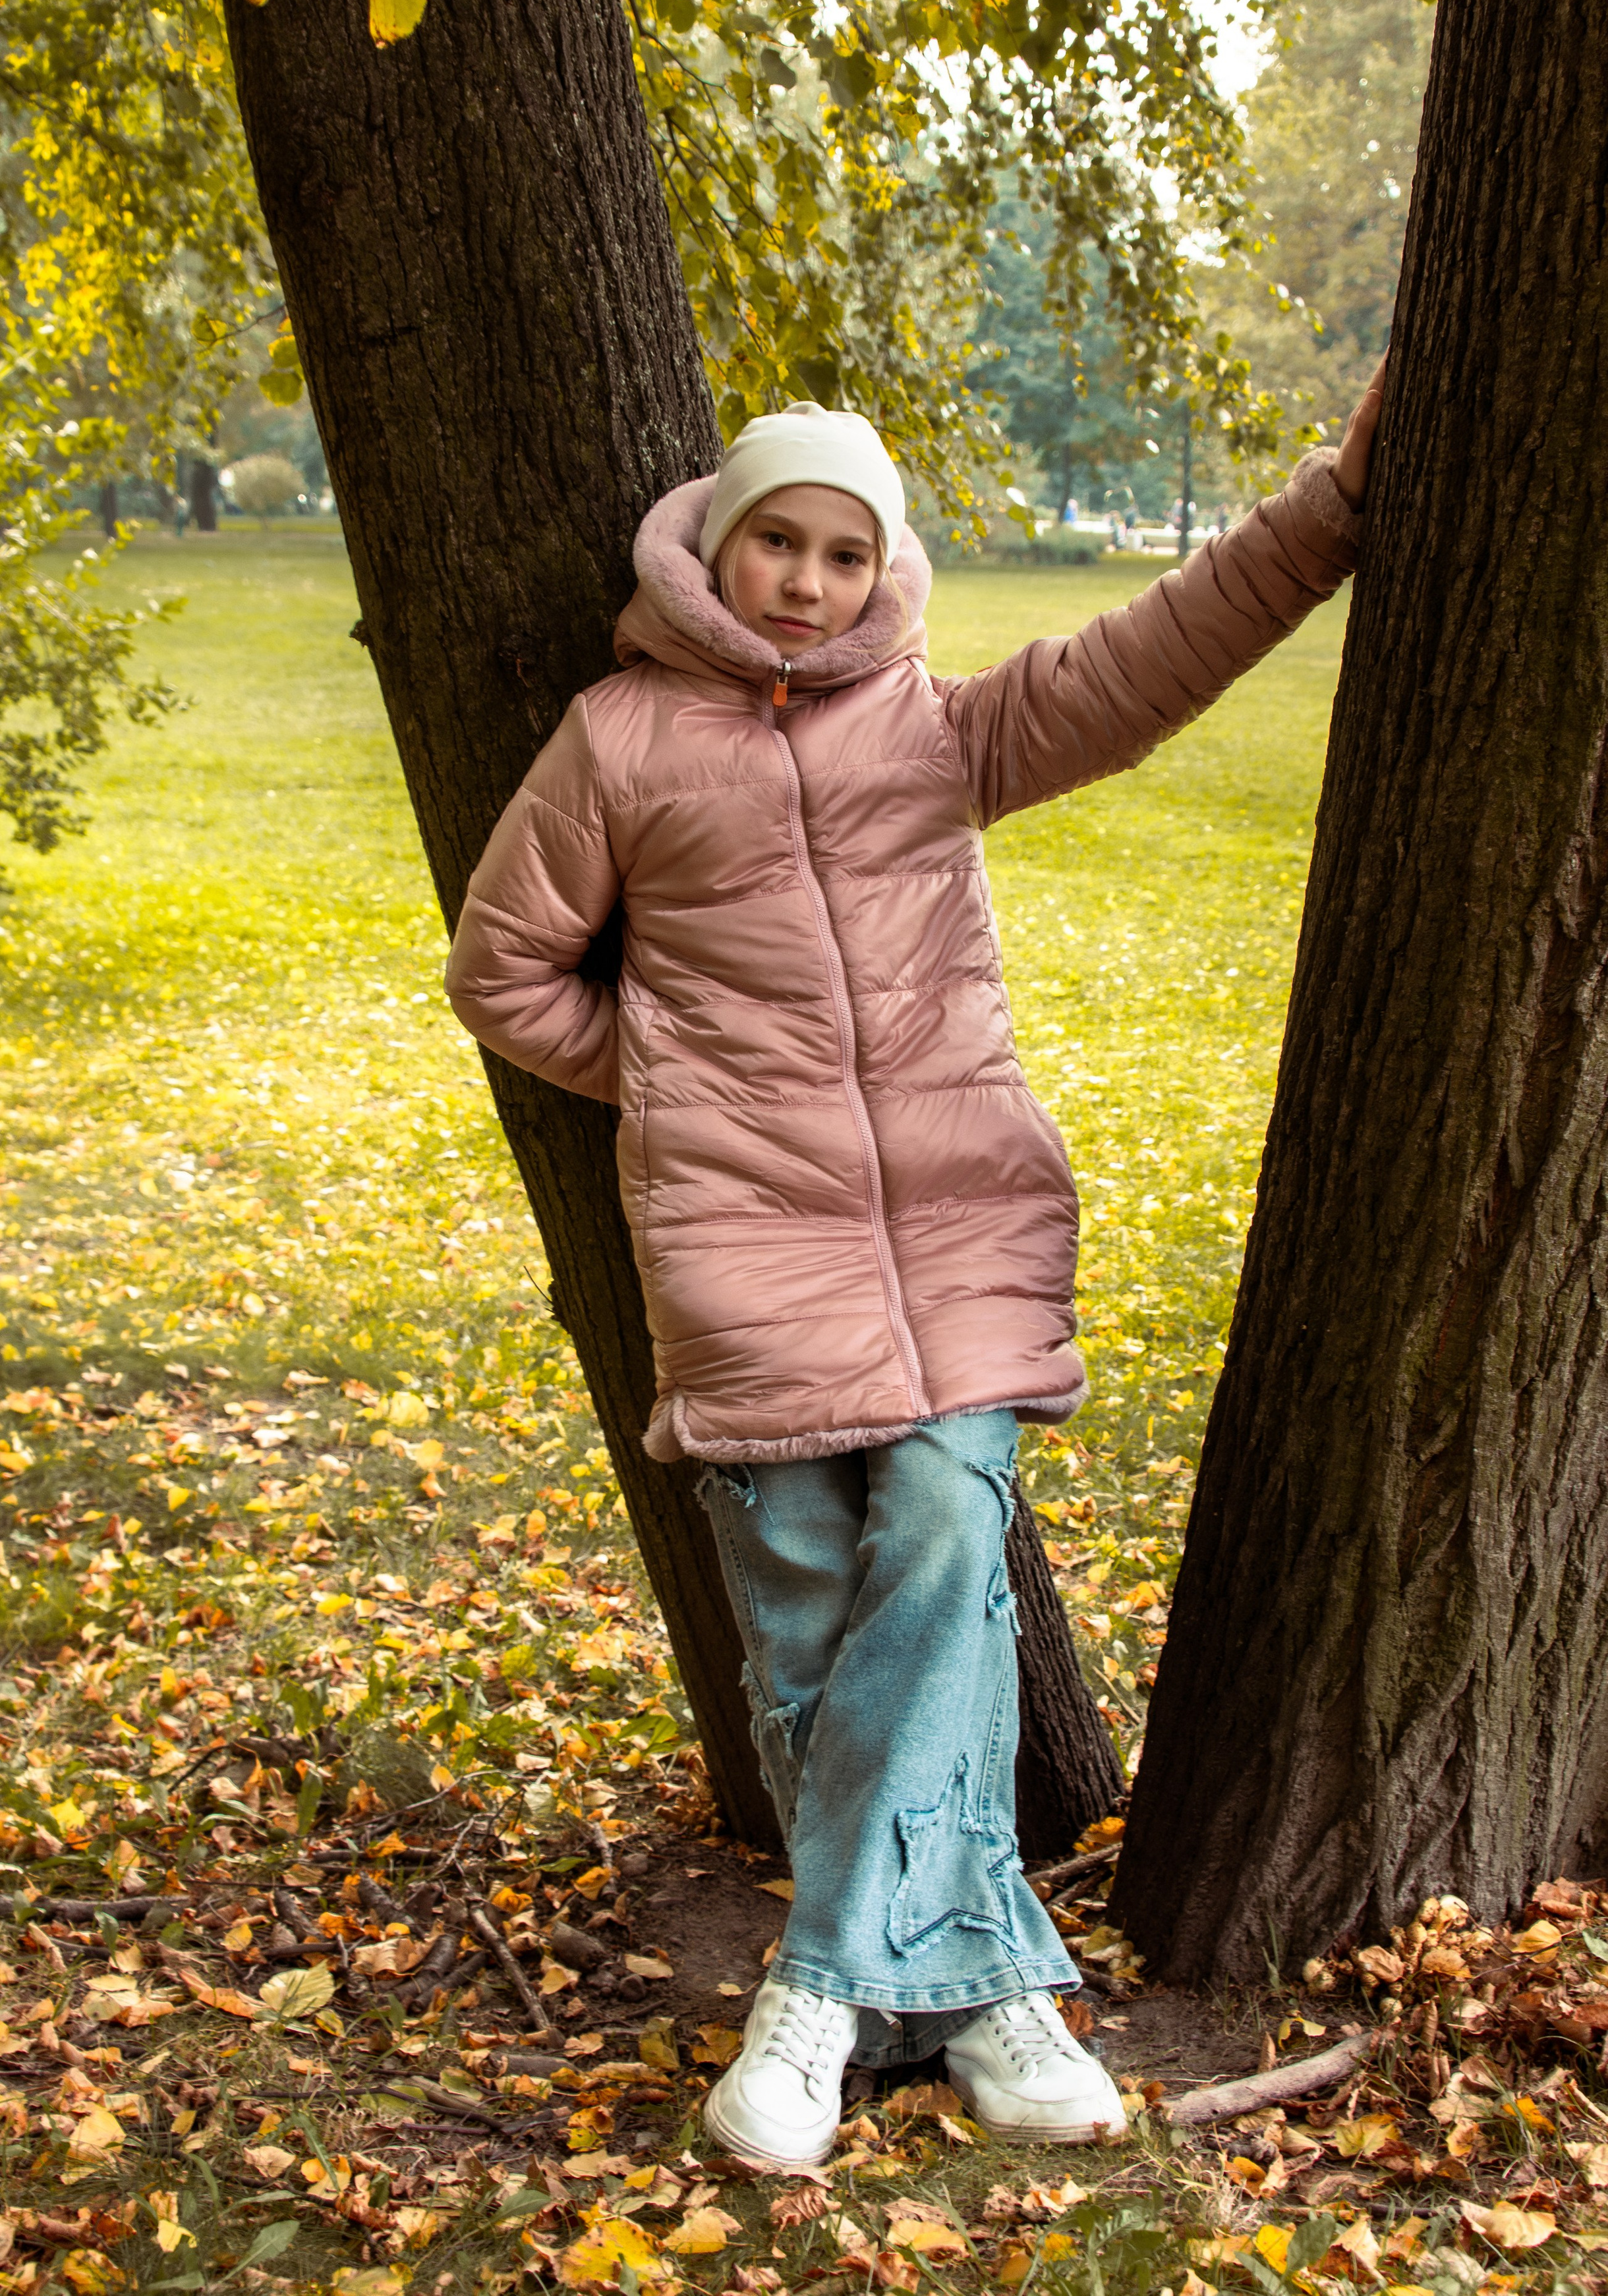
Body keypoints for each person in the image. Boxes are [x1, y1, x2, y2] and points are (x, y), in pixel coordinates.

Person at [445, 366, 1386, 2172]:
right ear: (718, 547)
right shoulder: (618, 743)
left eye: (843, 551)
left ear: (889, 574)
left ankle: (821, 1995)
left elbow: (1154, 653)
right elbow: (507, 970)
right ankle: (987, 1998)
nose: (805, 580)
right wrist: (678, 1079)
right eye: (776, 541)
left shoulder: (939, 732)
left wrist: (1327, 504)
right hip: (743, 1251)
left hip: (962, 1233)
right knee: (801, 1603)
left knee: (949, 1538)